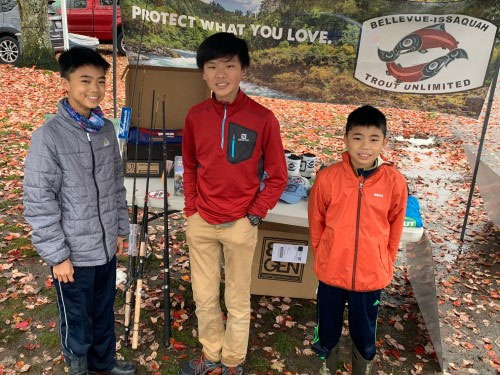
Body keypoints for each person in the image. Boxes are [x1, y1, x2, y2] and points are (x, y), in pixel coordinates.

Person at [180, 32, 288, 375]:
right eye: (212, 66)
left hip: (241, 224)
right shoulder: (196, 116)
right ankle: (211, 354)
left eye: (229, 65)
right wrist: (191, 209)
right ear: (203, 73)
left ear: (243, 70)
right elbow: (190, 166)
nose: (220, 74)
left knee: (237, 301)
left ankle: (232, 362)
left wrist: (254, 214)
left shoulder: (263, 118)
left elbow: (277, 175)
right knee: (205, 296)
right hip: (202, 223)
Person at [23, 47, 135, 375]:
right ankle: (79, 368)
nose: (95, 89)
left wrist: (118, 229)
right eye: (85, 80)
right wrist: (57, 255)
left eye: (101, 81)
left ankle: (104, 364)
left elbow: (115, 185)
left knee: (102, 312)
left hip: (103, 249)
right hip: (72, 256)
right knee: (76, 320)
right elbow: (39, 201)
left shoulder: (105, 130)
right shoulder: (49, 138)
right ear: (67, 82)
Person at [308, 105, 408, 375]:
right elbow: (316, 221)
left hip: (370, 275)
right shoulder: (328, 177)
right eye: (357, 137)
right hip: (331, 272)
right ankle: (325, 365)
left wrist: (384, 261)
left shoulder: (394, 181)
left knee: (364, 331)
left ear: (384, 142)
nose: (365, 146)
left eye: (374, 139)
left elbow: (395, 226)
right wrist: (323, 256)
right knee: (327, 326)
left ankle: (362, 367)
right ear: (345, 139)